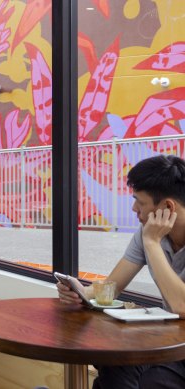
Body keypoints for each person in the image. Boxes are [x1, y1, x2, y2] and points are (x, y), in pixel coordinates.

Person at [57, 154, 185, 389]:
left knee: (154, 379)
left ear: (167, 207)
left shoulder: (150, 237)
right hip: (172, 338)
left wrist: (152, 244)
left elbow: (182, 306)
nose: (134, 208)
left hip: (179, 347)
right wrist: (80, 291)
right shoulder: (147, 232)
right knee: (111, 358)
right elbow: (112, 287)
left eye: (140, 202)